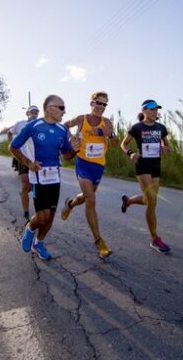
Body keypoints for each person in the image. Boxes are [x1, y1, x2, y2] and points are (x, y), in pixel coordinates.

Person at [9, 95, 80, 260]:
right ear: (50, 108)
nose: (64, 111)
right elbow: (13, 146)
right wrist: (29, 163)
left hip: (54, 177)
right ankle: (29, 229)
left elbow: (67, 155)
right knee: (42, 217)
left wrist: (75, 150)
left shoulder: (62, 130)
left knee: (50, 219)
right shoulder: (34, 126)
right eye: (61, 108)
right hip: (38, 177)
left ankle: (38, 243)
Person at [60, 91, 119, 258]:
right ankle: (99, 241)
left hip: (98, 166)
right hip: (83, 164)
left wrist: (111, 134)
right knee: (91, 200)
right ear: (91, 103)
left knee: (86, 197)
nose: (101, 106)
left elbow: (114, 144)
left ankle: (70, 204)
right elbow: (64, 125)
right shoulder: (81, 119)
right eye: (98, 103)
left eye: (104, 104)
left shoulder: (107, 122)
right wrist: (71, 138)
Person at [119, 99, 172, 254]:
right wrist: (131, 153)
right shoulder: (137, 127)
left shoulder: (161, 128)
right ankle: (155, 239)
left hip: (156, 166)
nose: (154, 112)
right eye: (151, 109)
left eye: (156, 110)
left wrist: (164, 148)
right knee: (152, 202)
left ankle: (128, 201)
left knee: (149, 200)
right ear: (143, 111)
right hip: (142, 165)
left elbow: (166, 145)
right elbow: (124, 144)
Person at [8, 105, 40, 222]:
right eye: (32, 112)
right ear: (27, 114)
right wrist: (12, 145)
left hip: (37, 159)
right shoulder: (20, 124)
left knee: (33, 186)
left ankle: (25, 194)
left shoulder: (40, 125)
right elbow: (9, 132)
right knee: (25, 184)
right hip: (23, 159)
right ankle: (26, 213)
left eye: (36, 112)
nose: (34, 114)